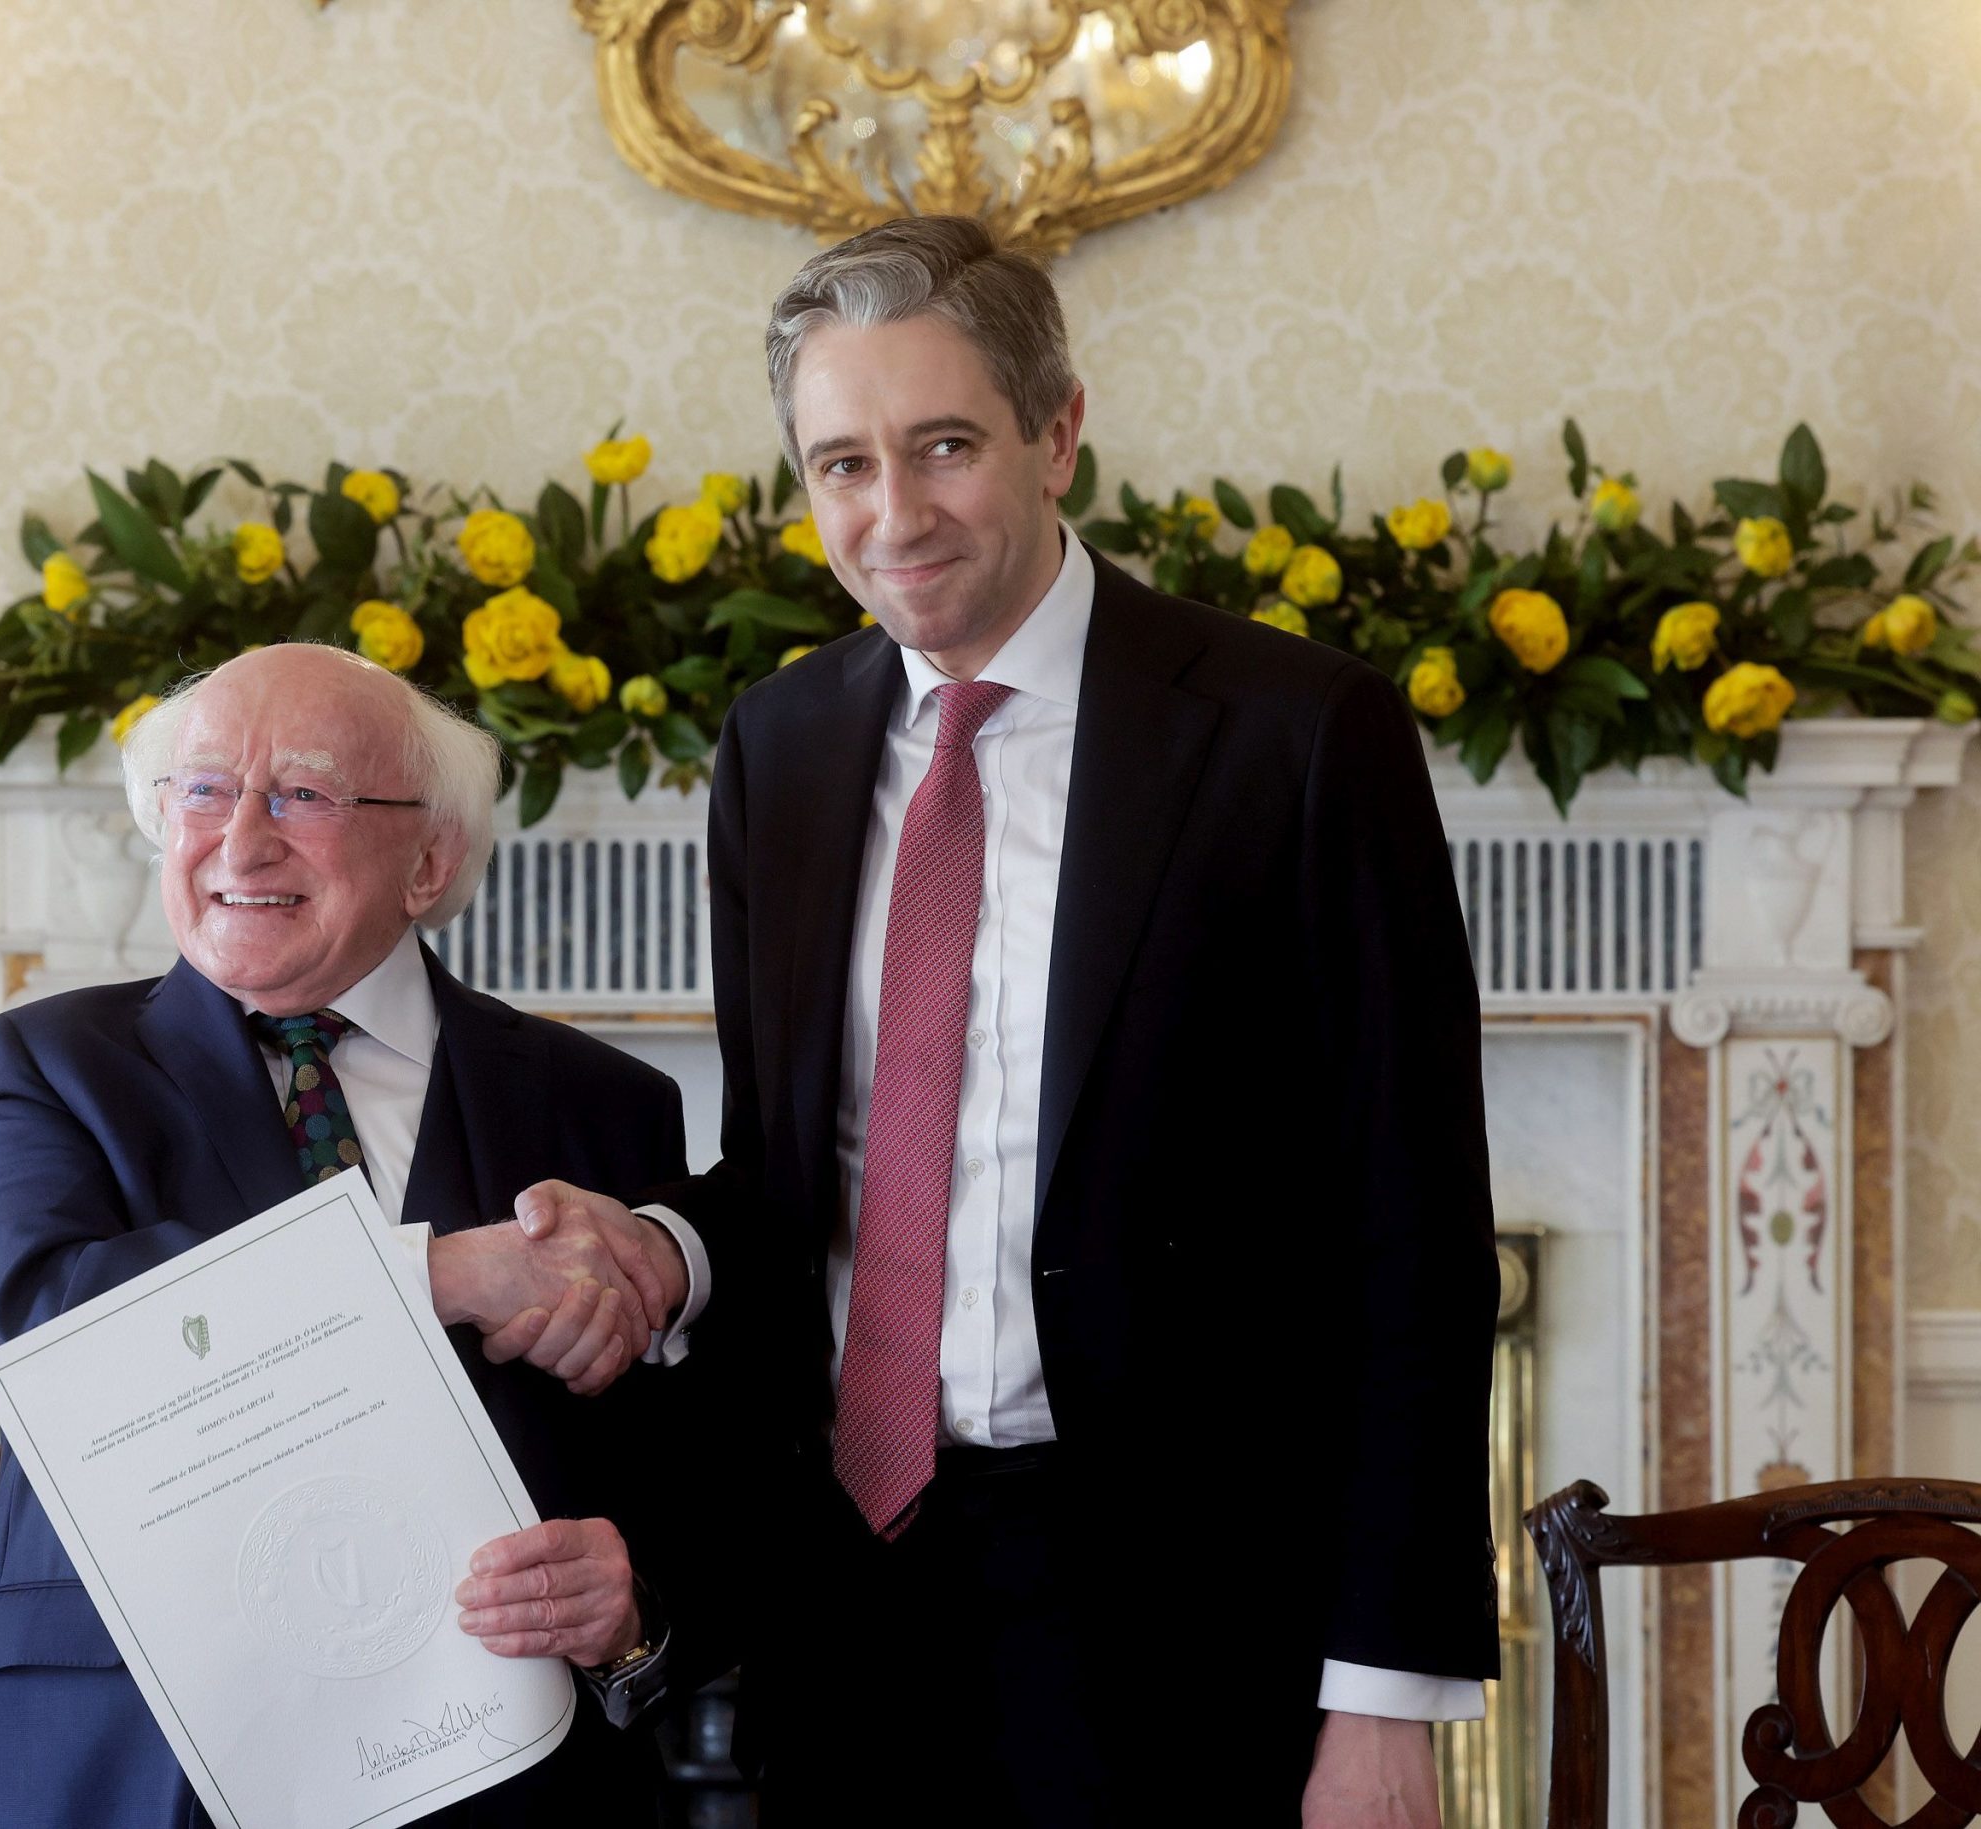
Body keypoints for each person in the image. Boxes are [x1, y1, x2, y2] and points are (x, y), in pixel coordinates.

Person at [512, 215, 1502, 1823]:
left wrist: (1385, 1695)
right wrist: (662, 1248)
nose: (893, 514)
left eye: (945, 445)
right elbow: (796, 1174)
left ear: (1057, 434)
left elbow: (1417, 1228)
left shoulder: (1298, 735)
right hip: (850, 1603)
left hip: (1192, 1617)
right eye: (842, 463)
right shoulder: (779, 746)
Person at [0, 643, 712, 1828]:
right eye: (203, 790)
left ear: (429, 860)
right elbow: (52, 1321)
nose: (239, 841)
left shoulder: (604, 1103)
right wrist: (445, 1270)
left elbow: (688, 1465)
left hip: (492, 1757)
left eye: (302, 793)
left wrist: (631, 1598)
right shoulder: (54, 1062)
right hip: (122, 1749)